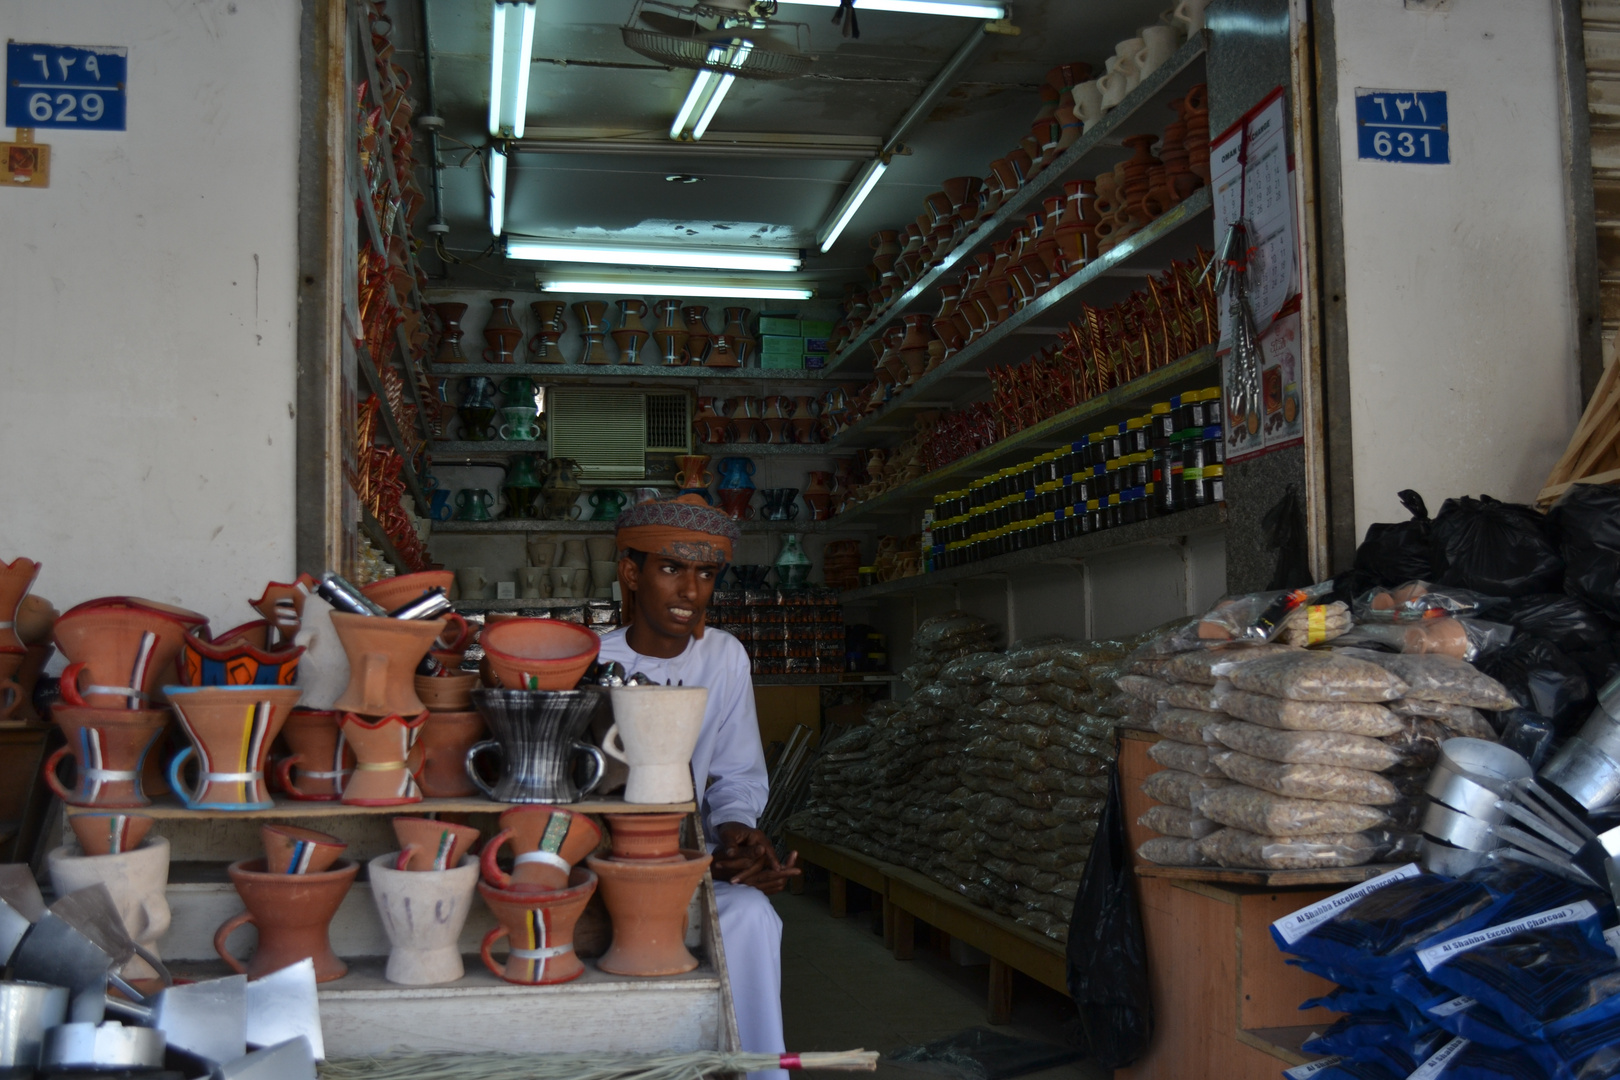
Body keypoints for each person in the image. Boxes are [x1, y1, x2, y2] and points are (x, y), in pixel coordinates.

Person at [595, 494, 801, 1079]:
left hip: (694, 860)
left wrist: (738, 834)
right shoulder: (591, 663)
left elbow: (735, 774)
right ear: (631, 573)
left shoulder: (725, 658)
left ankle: (761, 1072)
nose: (691, 590)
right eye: (670, 569)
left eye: (706, 573)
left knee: (752, 915)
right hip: (604, 863)